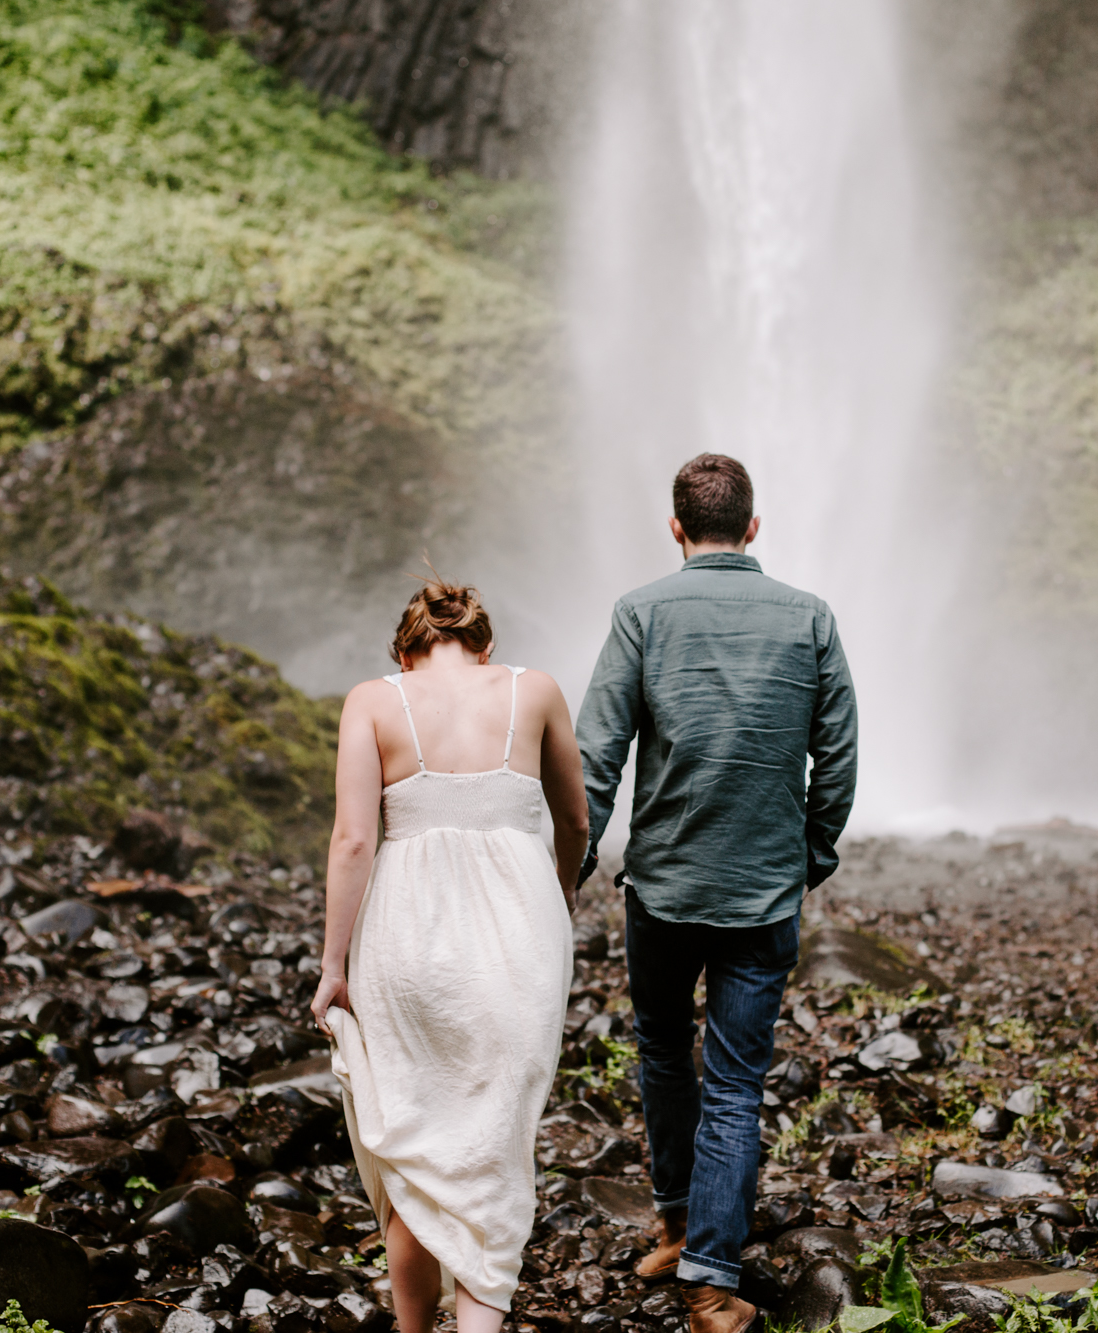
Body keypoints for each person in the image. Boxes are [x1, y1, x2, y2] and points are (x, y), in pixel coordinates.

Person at [577, 454, 858, 1333]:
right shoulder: (810, 616)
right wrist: (809, 852)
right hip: (764, 891)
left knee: (662, 1048)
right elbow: (839, 753)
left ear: (676, 529)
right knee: (734, 1083)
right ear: (754, 526)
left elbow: (597, 753)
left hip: (661, 885)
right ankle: (705, 1274)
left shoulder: (641, 612)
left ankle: (679, 1231)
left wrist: (572, 856)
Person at [312, 579, 589, 1333]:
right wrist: (560, 891)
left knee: (412, 1142)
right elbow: (574, 815)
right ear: (485, 645)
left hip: (403, 939)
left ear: (404, 650)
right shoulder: (536, 691)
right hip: (518, 939)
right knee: (495, 1143)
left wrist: (333, 963)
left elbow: (354, 839)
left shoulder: (373, 700)